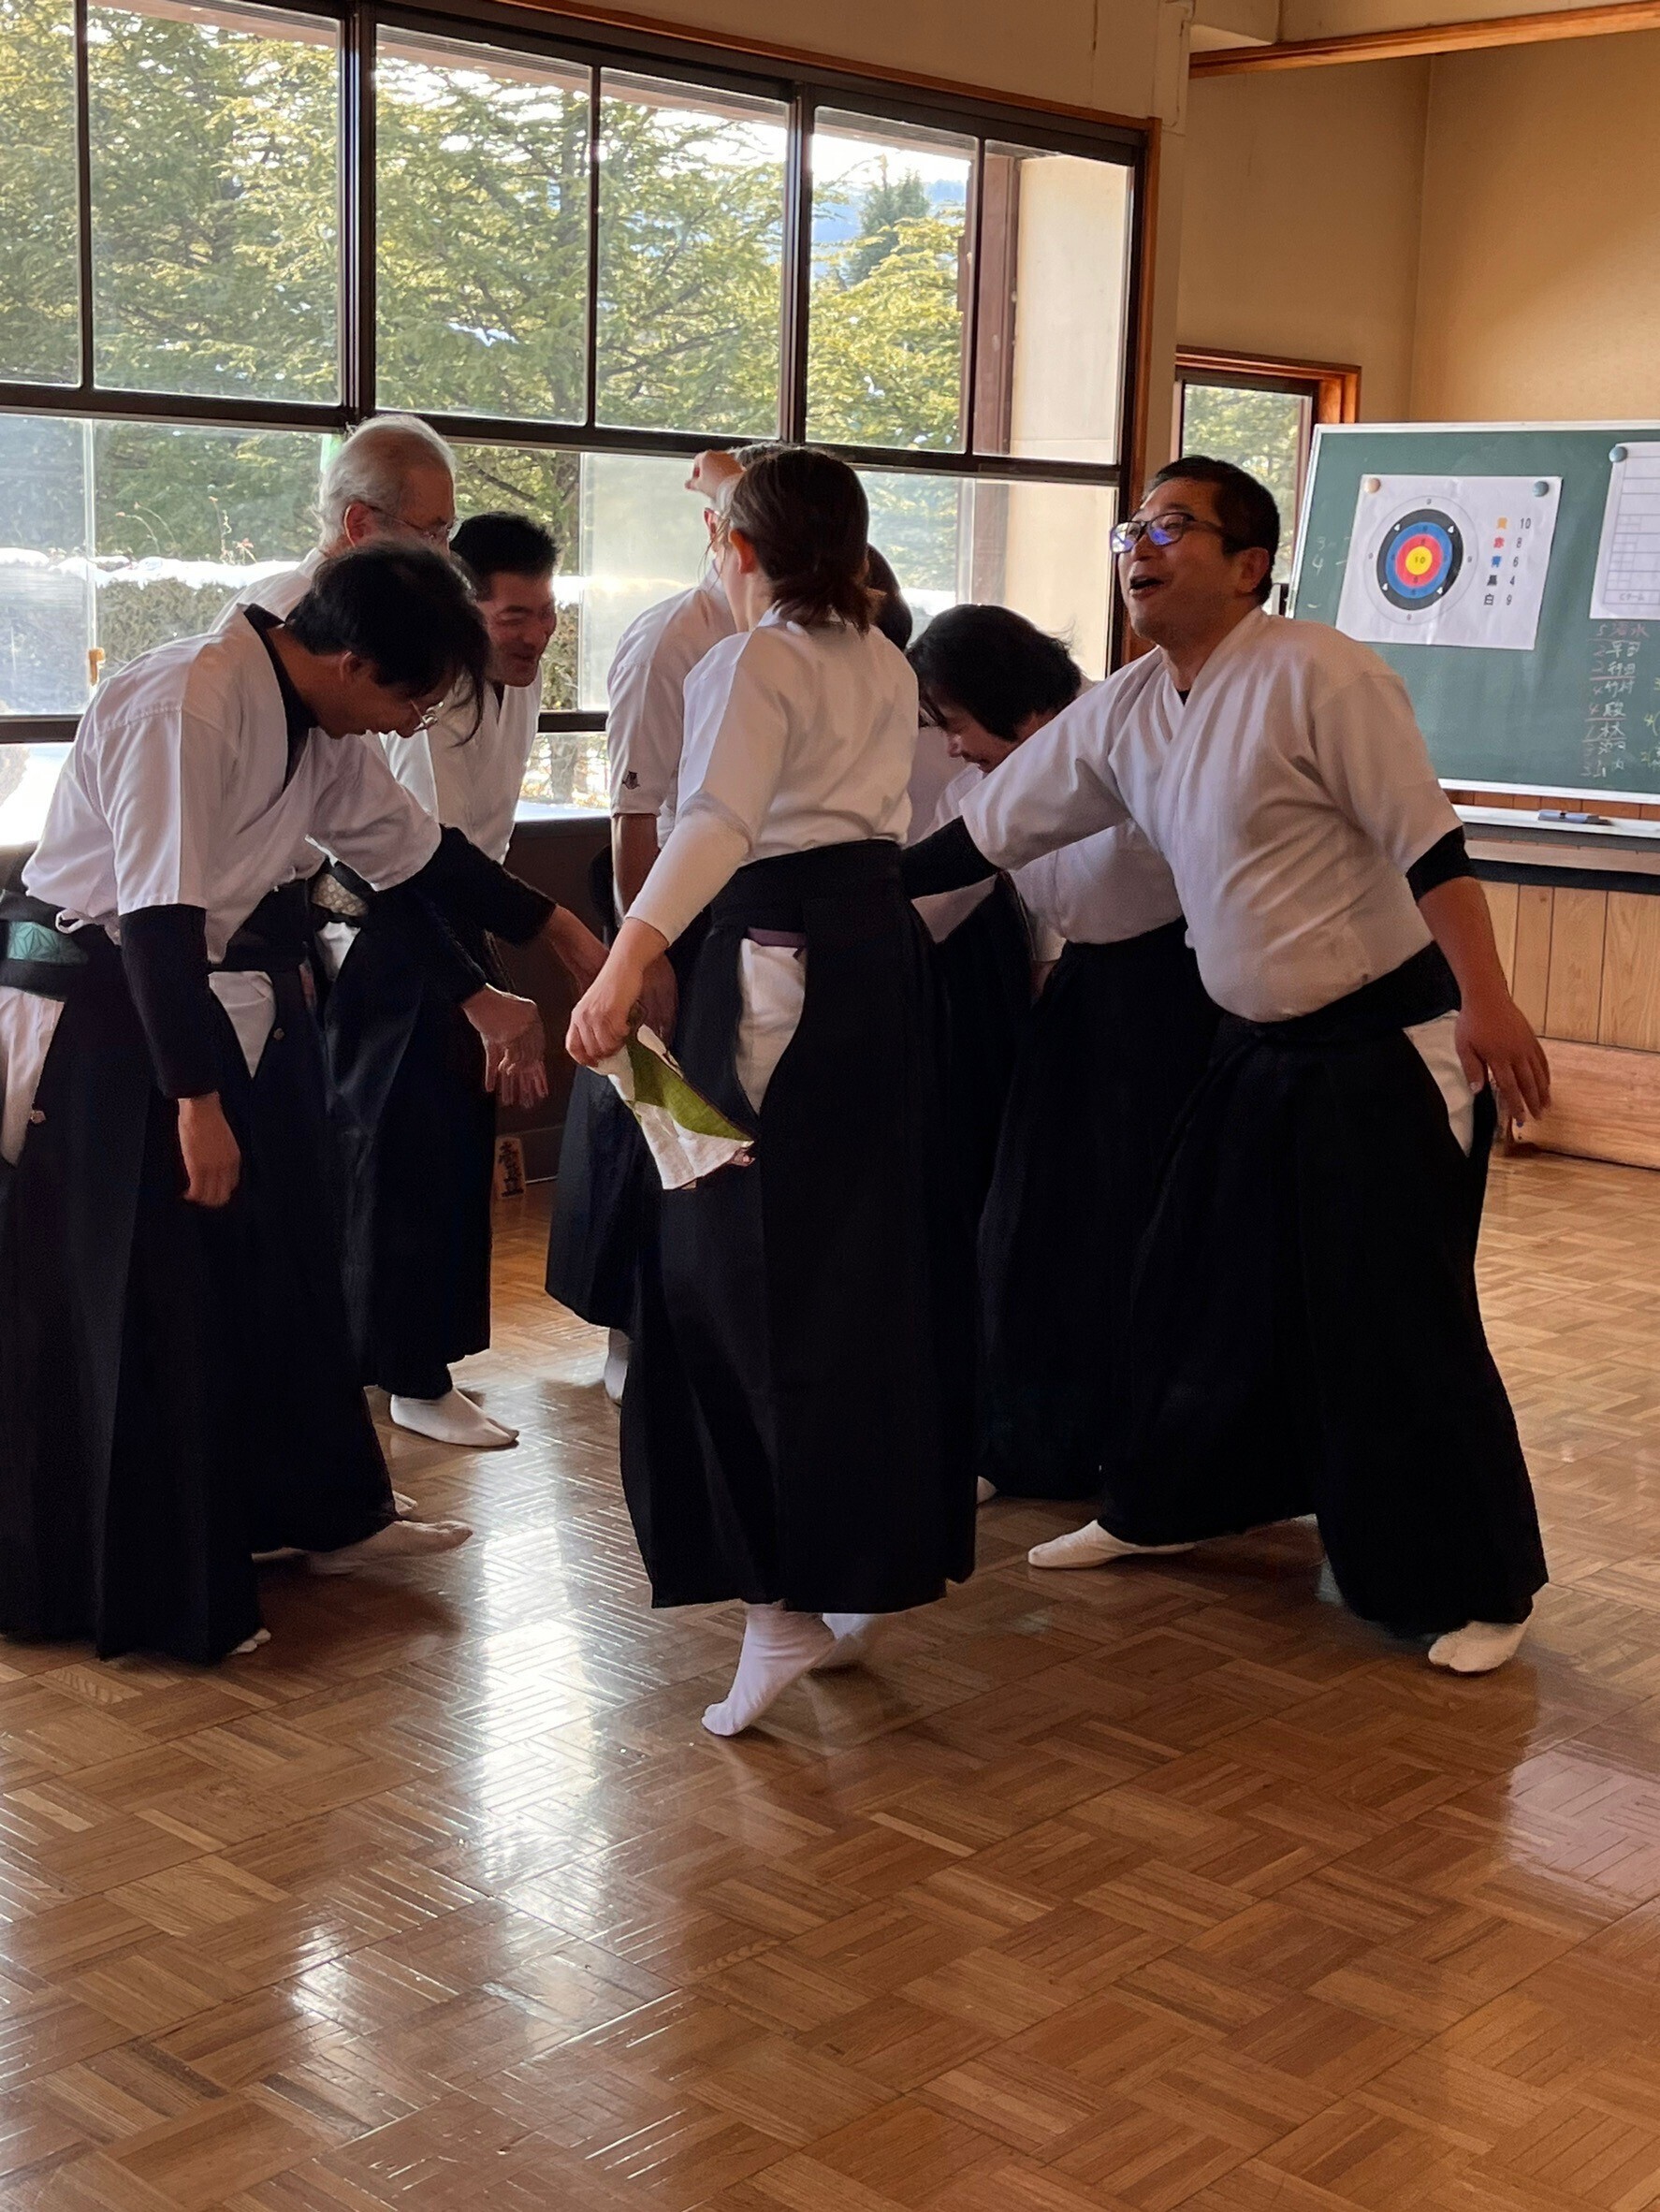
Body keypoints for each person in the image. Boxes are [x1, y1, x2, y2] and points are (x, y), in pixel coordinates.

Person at [903, 457, 1550, 1675]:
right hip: (1252, 1049)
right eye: (1131, 529)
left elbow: (1428, 843)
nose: (1139, 547)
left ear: (1249, 565)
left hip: (1382, 1042)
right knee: (1189, 1285)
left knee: (1391, 1318)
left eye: (1172, 526)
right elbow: (983, 834)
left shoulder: (1321, 673)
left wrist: (1489, 1001)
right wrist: (828, 903)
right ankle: (1167, 1502)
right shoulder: (1127, 707)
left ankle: (1475, 1582)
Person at [0, 545, 604, 1664]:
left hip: (192, 994)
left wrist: (557, 929)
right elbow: (159, 922)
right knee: (152, 1302)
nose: (409, 724)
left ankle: (293, 1519)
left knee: (272, 1271)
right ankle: (145, 1592)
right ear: (353, 660)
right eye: (412, 698)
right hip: (104, 1010)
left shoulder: (316, 719)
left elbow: (416, 859)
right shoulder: (188, 705)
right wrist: (196, 1102)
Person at [565, 447, 973, 1737]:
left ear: (736, 552)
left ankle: (777, 1600)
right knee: (848, 1266)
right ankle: (846, 1572)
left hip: (773, 968)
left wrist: (624, 960)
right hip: (867, 961)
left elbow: (715, 823)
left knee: (728, 1268)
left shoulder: (752, 659)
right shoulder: (882, 658)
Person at [908, 604, 1219, 1501]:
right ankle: (1021, 1443)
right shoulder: (988, 779)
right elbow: (934, 895)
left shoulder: (1132, 731)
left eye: (955, 722)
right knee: (1028, 1220)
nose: (951, 746)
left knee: (1146, 1232)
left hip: (1182, 998)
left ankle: (1151, 1458)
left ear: (1009, 699)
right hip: (1088, 997)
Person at [319, 513, 586, 1448]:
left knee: (453, 1148)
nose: (534, 635)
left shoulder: (520, 682)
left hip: (464, 906)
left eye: (546, 614)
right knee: (403, 1150)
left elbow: (478, 848)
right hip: (392, 919)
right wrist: (478, 985)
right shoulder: (418, 692)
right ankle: (408, 1374)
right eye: (514, 616)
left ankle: (412, 1362)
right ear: (465, 610)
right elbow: (406, 859)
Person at [545, 447, 751, 1400]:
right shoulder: (675, 633)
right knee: (650, 1108)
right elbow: (634, 809)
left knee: (714, 1113)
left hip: (742, 903)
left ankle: (699, 1315)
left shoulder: (788, 635)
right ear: (718, 533)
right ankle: (629, 1328)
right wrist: (644, 946)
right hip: (662, 897)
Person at [218, 415, 458, 625]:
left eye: (447, 532)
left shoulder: (265, 603)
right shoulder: (300, 628)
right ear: (360, 526)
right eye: (431, 535)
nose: (445, 555)